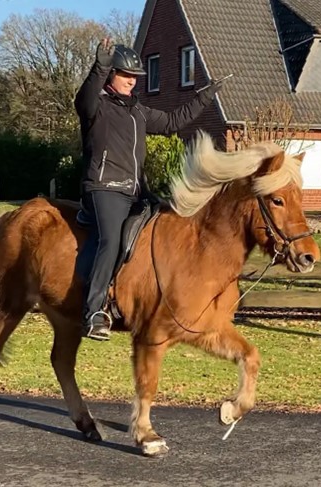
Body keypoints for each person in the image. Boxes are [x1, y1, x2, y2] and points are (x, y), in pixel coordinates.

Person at [74, 37, 225, 341]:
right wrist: (99, 67)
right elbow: (84, 99)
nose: (131, 81)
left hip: (135, 191)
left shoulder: (138, 112)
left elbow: (172, 122)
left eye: (135, 78)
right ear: (111, 76)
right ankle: (94, 312)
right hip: (104, 187)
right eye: (125, 75)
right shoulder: (97, 107)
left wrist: (205, 96)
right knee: (112, 239)